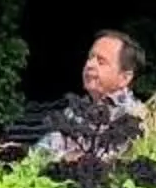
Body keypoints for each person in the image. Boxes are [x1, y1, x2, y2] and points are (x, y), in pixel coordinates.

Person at [35, 31, 144, 162]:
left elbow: (112, 163)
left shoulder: (135, 116)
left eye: (101, 62)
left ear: (124, 78)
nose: (89, 65)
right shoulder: (76, 110)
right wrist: (65, 158)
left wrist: (66, 159)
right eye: (90, 58)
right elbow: (39, 153)